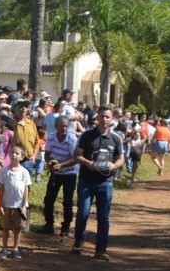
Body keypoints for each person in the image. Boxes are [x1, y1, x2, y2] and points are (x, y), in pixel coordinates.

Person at [70, 106, 127, 260]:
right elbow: (76, 155)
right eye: (102, 116)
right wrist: (89, 163)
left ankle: (101, 249)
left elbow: (121, 158)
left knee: (103, 216)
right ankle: (78, 242)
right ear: (97, 118)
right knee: (83, 212)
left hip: (105, 182)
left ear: (112, 118)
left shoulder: (115, 138)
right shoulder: (87, 135)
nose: (104, 119)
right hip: (86, 181)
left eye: (107, 117)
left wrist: (114, 165)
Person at [41, 114, 79, 236]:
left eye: (66, 126)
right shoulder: (51, 137)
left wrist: (61, 165)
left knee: (67, 202)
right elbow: (47, 153)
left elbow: (76, 158)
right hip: (55, 173)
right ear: (56, 126)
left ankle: (66, 227)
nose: (64, 128)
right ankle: (49, 225)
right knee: (48, 200)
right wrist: (50, 163)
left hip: (69, 173)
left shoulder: (72, 139)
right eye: (61, 126)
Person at [0, 154, 31, 258]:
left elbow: (26, 189)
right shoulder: (4, 171)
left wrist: (25, 204)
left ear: (21, 157)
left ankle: (15, 248)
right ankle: (4, 248)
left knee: (18, 227)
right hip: (7, 203)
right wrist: (1, 203)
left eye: (17, 154)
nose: (14, 155)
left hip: (20, 205)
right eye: (13, 153)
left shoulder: (24, 172)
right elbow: (1, 188)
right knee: (5, 227)